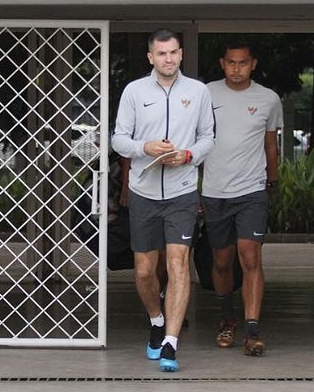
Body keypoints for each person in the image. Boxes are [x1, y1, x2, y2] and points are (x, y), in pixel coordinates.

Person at [111, 29, 215, 372]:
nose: (168, 59)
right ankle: (156, 319)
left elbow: (207, 139)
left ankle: (170, 342)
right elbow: (119, 140)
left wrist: (187, 155)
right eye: (161, 54)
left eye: (173, 53)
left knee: (178, 264)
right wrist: (146, 147)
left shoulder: (198, 92)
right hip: (143, 192)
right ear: (150, 57)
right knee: (143, 270)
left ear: (181, 54)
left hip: (182, 192)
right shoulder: (134, 92)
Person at [201, 41, 282, 356]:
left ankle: (252, 330)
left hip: (252, 190)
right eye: (231, 62)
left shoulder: (268, 99)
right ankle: (227, 317)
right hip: (214, 192)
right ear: (222, 63)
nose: (237, 68)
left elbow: (270, 145)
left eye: (243, 62)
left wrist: (271, 182)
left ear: (253, 64)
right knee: (222, 262)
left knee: (250, 256)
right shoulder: (205, 94)